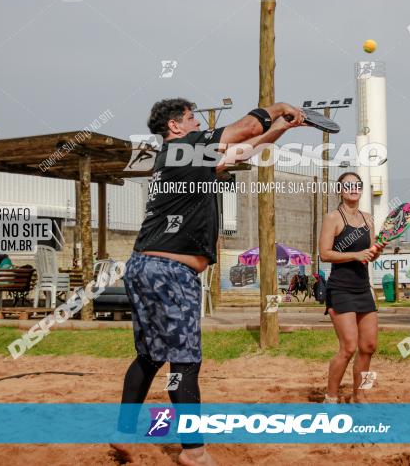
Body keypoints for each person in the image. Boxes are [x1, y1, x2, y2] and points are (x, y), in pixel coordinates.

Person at [117, 98, 305, 465]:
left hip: (144, 266)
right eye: (190, 118)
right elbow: (245, 130)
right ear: (174, 126)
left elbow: (241, 150)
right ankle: (193, 451)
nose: (196, 123)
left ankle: (122, 432)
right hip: (171, 274)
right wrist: (278, 105)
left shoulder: (178, 158)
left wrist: (281, 129)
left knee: (150, 356)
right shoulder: (185, 147)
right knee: (184, 364)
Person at [319, 172, 385, 403]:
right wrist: (356, 254)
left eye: (357, 185)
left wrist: (377, 251)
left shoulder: (368, 219)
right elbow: (324, 254)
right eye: (348, 185)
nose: (353, 188)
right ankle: (331, 396)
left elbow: (369, 257)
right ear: (340, 190)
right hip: (340, 289)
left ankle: (361, 395)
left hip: (363, 288)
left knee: (369, 346)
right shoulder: (332, 218)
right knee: (348, 347)